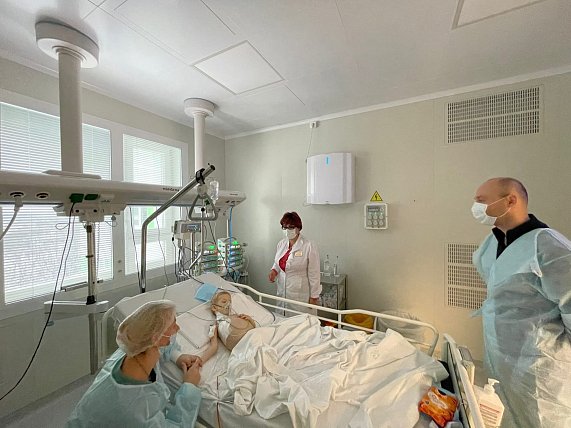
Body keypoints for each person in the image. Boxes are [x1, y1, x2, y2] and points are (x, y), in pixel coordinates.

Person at [471, 177, 571, 428]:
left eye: (481, 201)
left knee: (540, 418)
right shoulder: (492, 242)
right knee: (504, 413)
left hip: (540, 361)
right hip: (500, 353)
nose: (476, 207)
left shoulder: (549, 246)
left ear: (510, 201)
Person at [66, 300, 216, 427]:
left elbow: (161, 346)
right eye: (173, 324)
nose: (177, 328)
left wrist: (177, 356)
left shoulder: (132, 349)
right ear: (156, 338)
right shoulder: (136, 409)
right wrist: (189, 386)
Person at [268, 211, 321, 316]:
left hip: (300, 295)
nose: (287, 230)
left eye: (291, 227)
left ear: (298, 228)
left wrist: (314, 296)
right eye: (284, 227)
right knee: (282, 319)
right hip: (283, 291)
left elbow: (314, 273)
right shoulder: (281, 244)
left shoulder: (309, 245)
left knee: (300, 322)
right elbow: (278, 262)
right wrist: (274, 270)